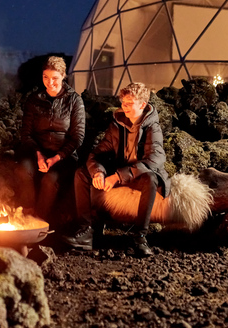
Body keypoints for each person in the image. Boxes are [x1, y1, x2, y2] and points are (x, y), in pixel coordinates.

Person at [63, 82, 171, 256]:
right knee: (81, 174)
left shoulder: (152, 127)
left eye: (129, 104)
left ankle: (139, 238)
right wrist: (98, 171)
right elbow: (96, 153)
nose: (124, 107)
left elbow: (155, 159)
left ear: (142, 105)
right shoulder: (117, 124)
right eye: (123, 103)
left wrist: (118, 177)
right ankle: (86, 231)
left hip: (139, 175)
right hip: (120, 170)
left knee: (150, 179)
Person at [14, 56, 85, 221]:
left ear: (63, 76)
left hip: (64, 156)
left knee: (49, 180)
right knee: (23, 171)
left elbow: (78, 137)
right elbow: (26, 133)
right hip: (36, 151)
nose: (50, 82)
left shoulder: (74, 100)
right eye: (46, 77)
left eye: (54, 78)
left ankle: (39, 221)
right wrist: (38, 154)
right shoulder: (34, 100)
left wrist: (56, 158)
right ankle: (27, 213)